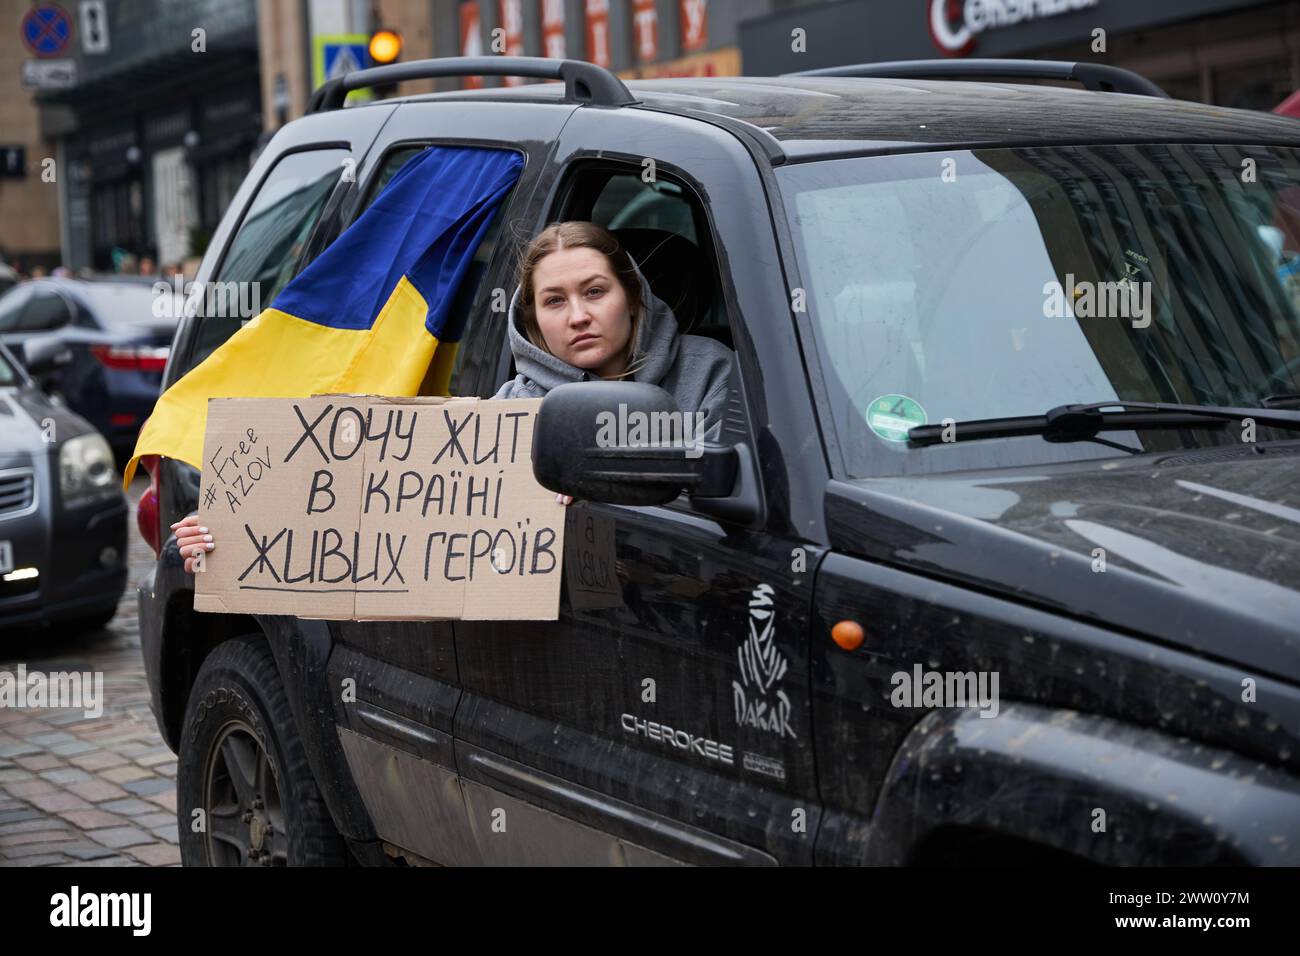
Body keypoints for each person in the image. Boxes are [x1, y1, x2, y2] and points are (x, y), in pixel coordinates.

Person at [176, 221, 733, 572]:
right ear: (533, 322)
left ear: (632, 296)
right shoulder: (508, 412)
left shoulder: (709, 370)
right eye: (554, 301)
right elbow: (384, 504)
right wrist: (234, 527)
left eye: (595, 292)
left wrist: (605, 497)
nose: (580, 315)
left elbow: (725, 503)